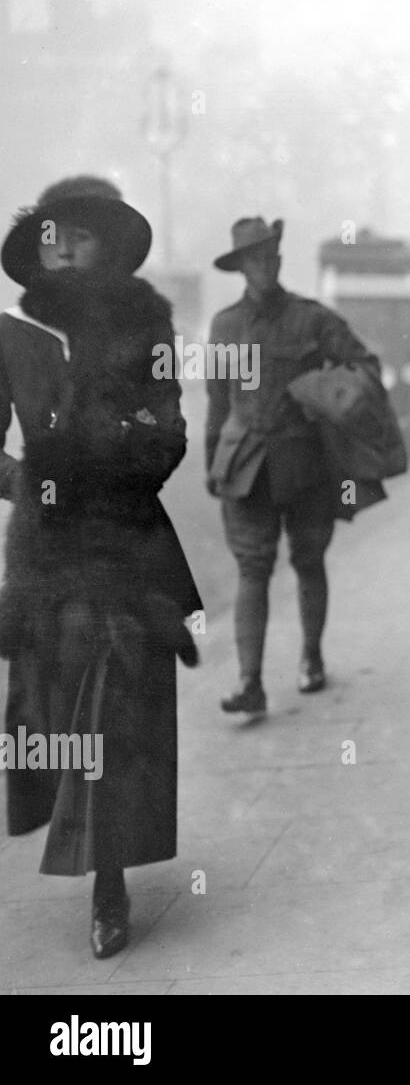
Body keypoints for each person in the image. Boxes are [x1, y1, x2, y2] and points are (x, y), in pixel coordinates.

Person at [0, 176, 202, 958]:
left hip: (124, 535)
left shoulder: (146, 324)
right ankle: (83, 842)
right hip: (46, 547)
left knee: (117, 703)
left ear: (109, 245)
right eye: (55, 236)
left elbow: (171, 423)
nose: (67, 248)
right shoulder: (14, 331)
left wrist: (137, 455)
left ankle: (109, 882)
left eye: (82, 234)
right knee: (56, 713)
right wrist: (33, 482)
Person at [206, 217, 381, 714]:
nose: (263, 266)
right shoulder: (224, 326)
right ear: (240, 267)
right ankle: (249, 682)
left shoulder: (313, 319)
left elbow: (364, 366)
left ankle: (311, 658)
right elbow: (218, 402)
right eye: (252, 259)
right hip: (245, 467)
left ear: (280, 261)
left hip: (304, 462)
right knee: (252, 568)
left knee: (308, 559)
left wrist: (322, 393)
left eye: (269, 257)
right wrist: (211, 462)